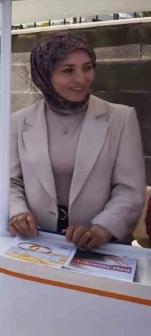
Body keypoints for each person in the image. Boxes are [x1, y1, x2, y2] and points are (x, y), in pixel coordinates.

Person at [9, 33, 145, 248]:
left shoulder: (121, 118)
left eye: (87, 68)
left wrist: (102, 229)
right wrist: (18, 212)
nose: (81, 79)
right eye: (68, 70)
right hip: (38, 244)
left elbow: (129, 189)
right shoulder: (19, 121)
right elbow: (10, 181)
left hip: (101, 248)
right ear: (44, 74)